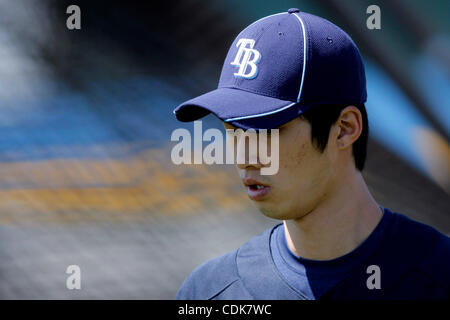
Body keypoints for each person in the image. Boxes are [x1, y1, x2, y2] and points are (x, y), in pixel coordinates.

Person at [172, 9, 450, 300]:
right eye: (233, 129)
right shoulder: (207, 292)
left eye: (266, 129)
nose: (244, 157)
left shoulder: (439, 275)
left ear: (344, 129)